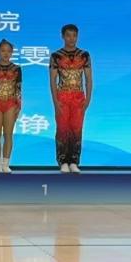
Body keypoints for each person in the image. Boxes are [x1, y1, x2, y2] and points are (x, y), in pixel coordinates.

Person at [49, 24, 93, 173]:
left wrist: (88, 98)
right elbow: (52, 80)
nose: (71, 38)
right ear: (63, 36)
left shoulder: (84, 55)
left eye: (74, 35)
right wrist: (55, 101)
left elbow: (88, 79)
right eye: (68, 35)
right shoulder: (56, 56)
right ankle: (62, 161)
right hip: (62, 96)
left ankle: (74, 161)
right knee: (62, 128)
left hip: (78, 96)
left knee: (76, 128)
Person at [0, 39, 22, 173]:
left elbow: (18, 89)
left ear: (12, 53)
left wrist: (19, 106)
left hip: (11, 104)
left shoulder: (17, 69)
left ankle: (6, 163)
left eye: (8, 51)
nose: (6, 53)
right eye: (3, 51)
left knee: (8, 135)